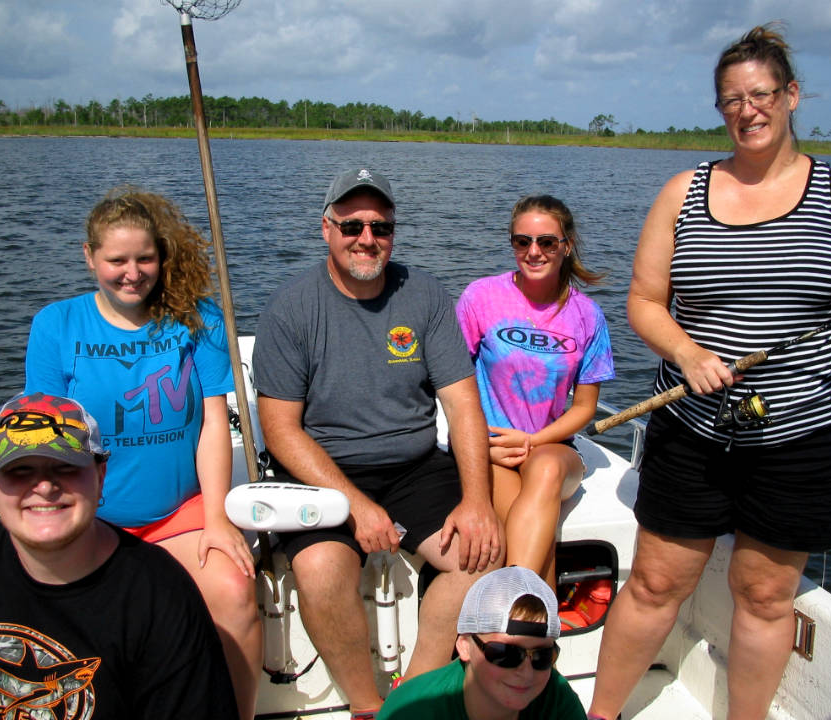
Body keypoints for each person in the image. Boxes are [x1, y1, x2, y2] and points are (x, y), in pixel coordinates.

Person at [587, 24, 831, 720]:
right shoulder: (682, 192)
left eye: (761, 94)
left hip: (805, 433)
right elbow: (643, 303)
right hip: (693, 428)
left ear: (790, 96)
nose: (747, 110)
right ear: (720, 108)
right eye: (732, 99)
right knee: (655, 584)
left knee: (764, 596)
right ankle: (600, 714)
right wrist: (690, 355)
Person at [253, 168, 504, 718]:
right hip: (320, 470)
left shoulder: (426, 295)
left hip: (413, 466)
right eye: (352, 225)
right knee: (320, 571)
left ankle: (409, 699)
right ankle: (366, 706)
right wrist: (359, 506)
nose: (367, 238)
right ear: (326, 229)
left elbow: (462, 403)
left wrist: (478, 500)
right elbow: (281, 431)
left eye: (381, 227)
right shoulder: (290, 311)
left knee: (481, 558)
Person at [23, 188, 261, 719]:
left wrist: (219, 519)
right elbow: (45, 438)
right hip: (90, 518)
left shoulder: (198, 318)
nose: (132, 272)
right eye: (116, 260)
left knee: (236, 592)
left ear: (161, 257)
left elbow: (212, 426)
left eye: (145, 258)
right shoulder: (57, 325)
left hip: (180, 513)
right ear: (90, 257)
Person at [0, 392, 239, 719]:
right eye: (20, 470)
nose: (44, 486)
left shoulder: (160, 597)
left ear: (101, 476)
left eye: (65, 467)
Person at [456, 195, 615, 586]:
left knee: (544, 469)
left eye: (547, 242)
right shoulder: (480, 297)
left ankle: (512, 610)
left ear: (567, 245)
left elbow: (584, 408)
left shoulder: (588, 316)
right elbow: (452, 384)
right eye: (522, 241)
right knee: (525, 536)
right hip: (493, 448)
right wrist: (479, 442)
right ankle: (530, 627)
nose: (534, 251)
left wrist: (534, 440)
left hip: (552, 445)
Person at [376, 566, 585, 720]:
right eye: (506, 654)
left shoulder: (557, 700)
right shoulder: (411, 712)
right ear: (465, 645)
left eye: (542, 656)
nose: (526, 672)